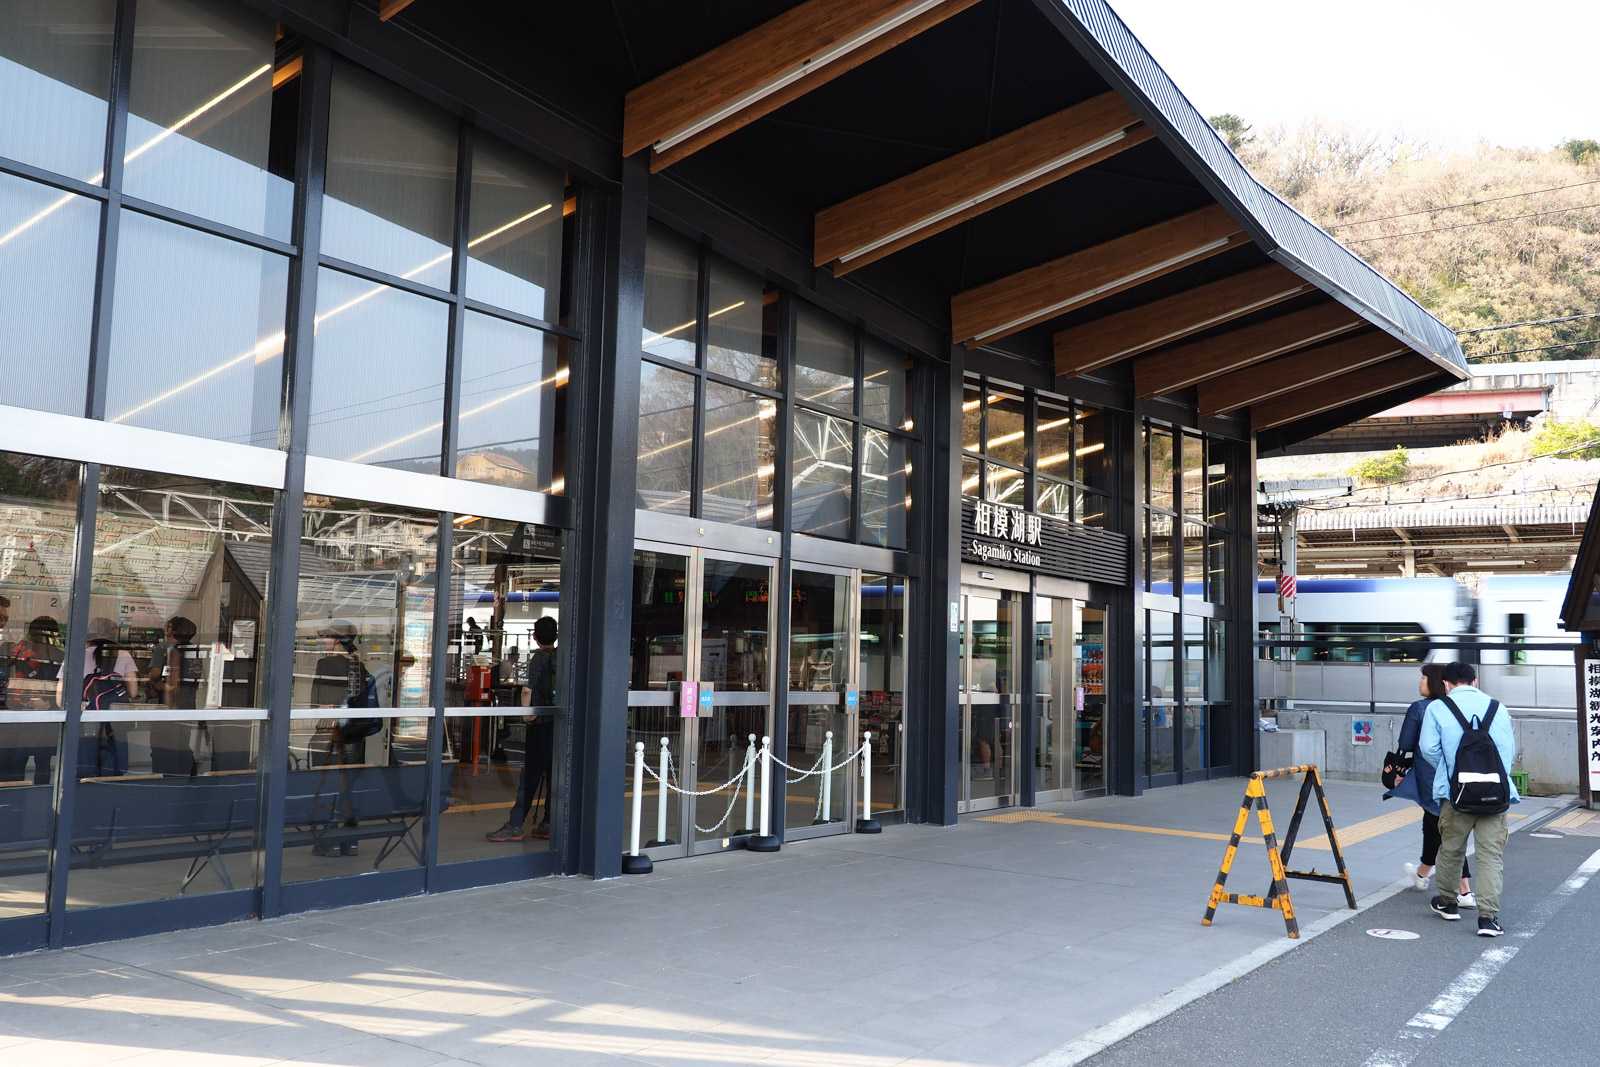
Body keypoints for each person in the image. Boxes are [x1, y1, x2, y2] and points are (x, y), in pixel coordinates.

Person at [1420, 660, 1518, 937]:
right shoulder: (1498, 707)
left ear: (1446, 684)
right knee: (1490, 855)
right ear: (1475, 682)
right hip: (1494, 794)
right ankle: (1488, 918)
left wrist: (1451, 770)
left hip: (1456, 793)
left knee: (1451, 848)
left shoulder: (1438, 708)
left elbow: (1428, 749)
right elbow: (1508, 751)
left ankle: (1448, 903)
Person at [1385, 663, 1473, 905]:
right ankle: (1422, 873)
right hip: (1460, 773)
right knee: (1433, 823)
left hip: (1430, 776)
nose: (1420, 682)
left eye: (1423, 678)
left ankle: (1464, 891)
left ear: (1435, 681)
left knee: (1445, 828)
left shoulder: (1420, 708)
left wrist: (1399, 769)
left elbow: (1406, 743)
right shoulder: (1458, 706)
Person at [487, 615, 556, 842]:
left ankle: (515, 824)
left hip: (540, 725)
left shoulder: (538, 659)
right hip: (557, 724)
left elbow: (527, 690)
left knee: (530, 777)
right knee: (553, 775)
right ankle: (548, 823)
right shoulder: (561, 657)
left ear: (535, 637)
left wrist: (527, 716)